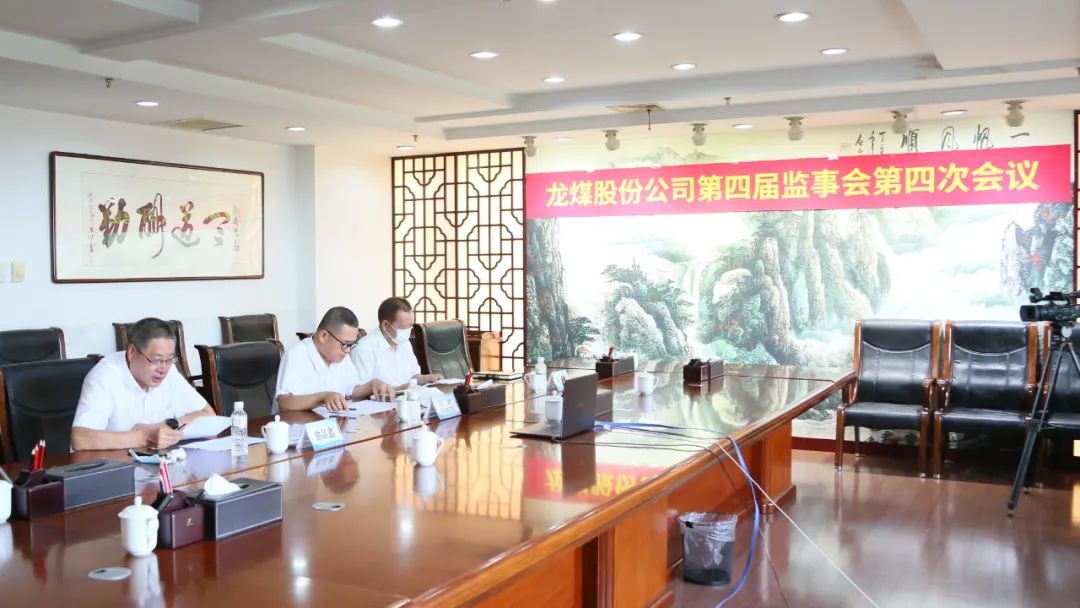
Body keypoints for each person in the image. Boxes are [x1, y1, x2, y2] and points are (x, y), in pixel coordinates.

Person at [71, 318, 215, 451]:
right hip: (116, 465)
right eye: (156, 360)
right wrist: (143, 437)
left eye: (169, 360)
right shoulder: (104, 376)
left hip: (159, 462)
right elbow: (80, 439)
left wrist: (168, 425)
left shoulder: (169, 371)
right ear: (132, 352)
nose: (163, 369)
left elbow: (209, 416)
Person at [276, 306, 393, 412]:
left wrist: (372, 385)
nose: (347, 350)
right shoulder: (296, 355)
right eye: (345, 343)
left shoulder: (341, 355)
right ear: (324, 336)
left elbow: (352, 390)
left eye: (351, 344)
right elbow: (284, 403)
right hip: (300, 425)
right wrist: (322, 397)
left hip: (333, 422)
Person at [351, 297, 443, 389]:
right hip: (386, 398)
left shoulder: (404, 342)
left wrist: (427, 378)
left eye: (410, 326)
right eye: (404, 327)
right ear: (386, 325)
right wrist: (403, 388)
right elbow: (359, 392)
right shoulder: (363, 350)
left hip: (410, 396)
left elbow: (414, 376)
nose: (409, 331)